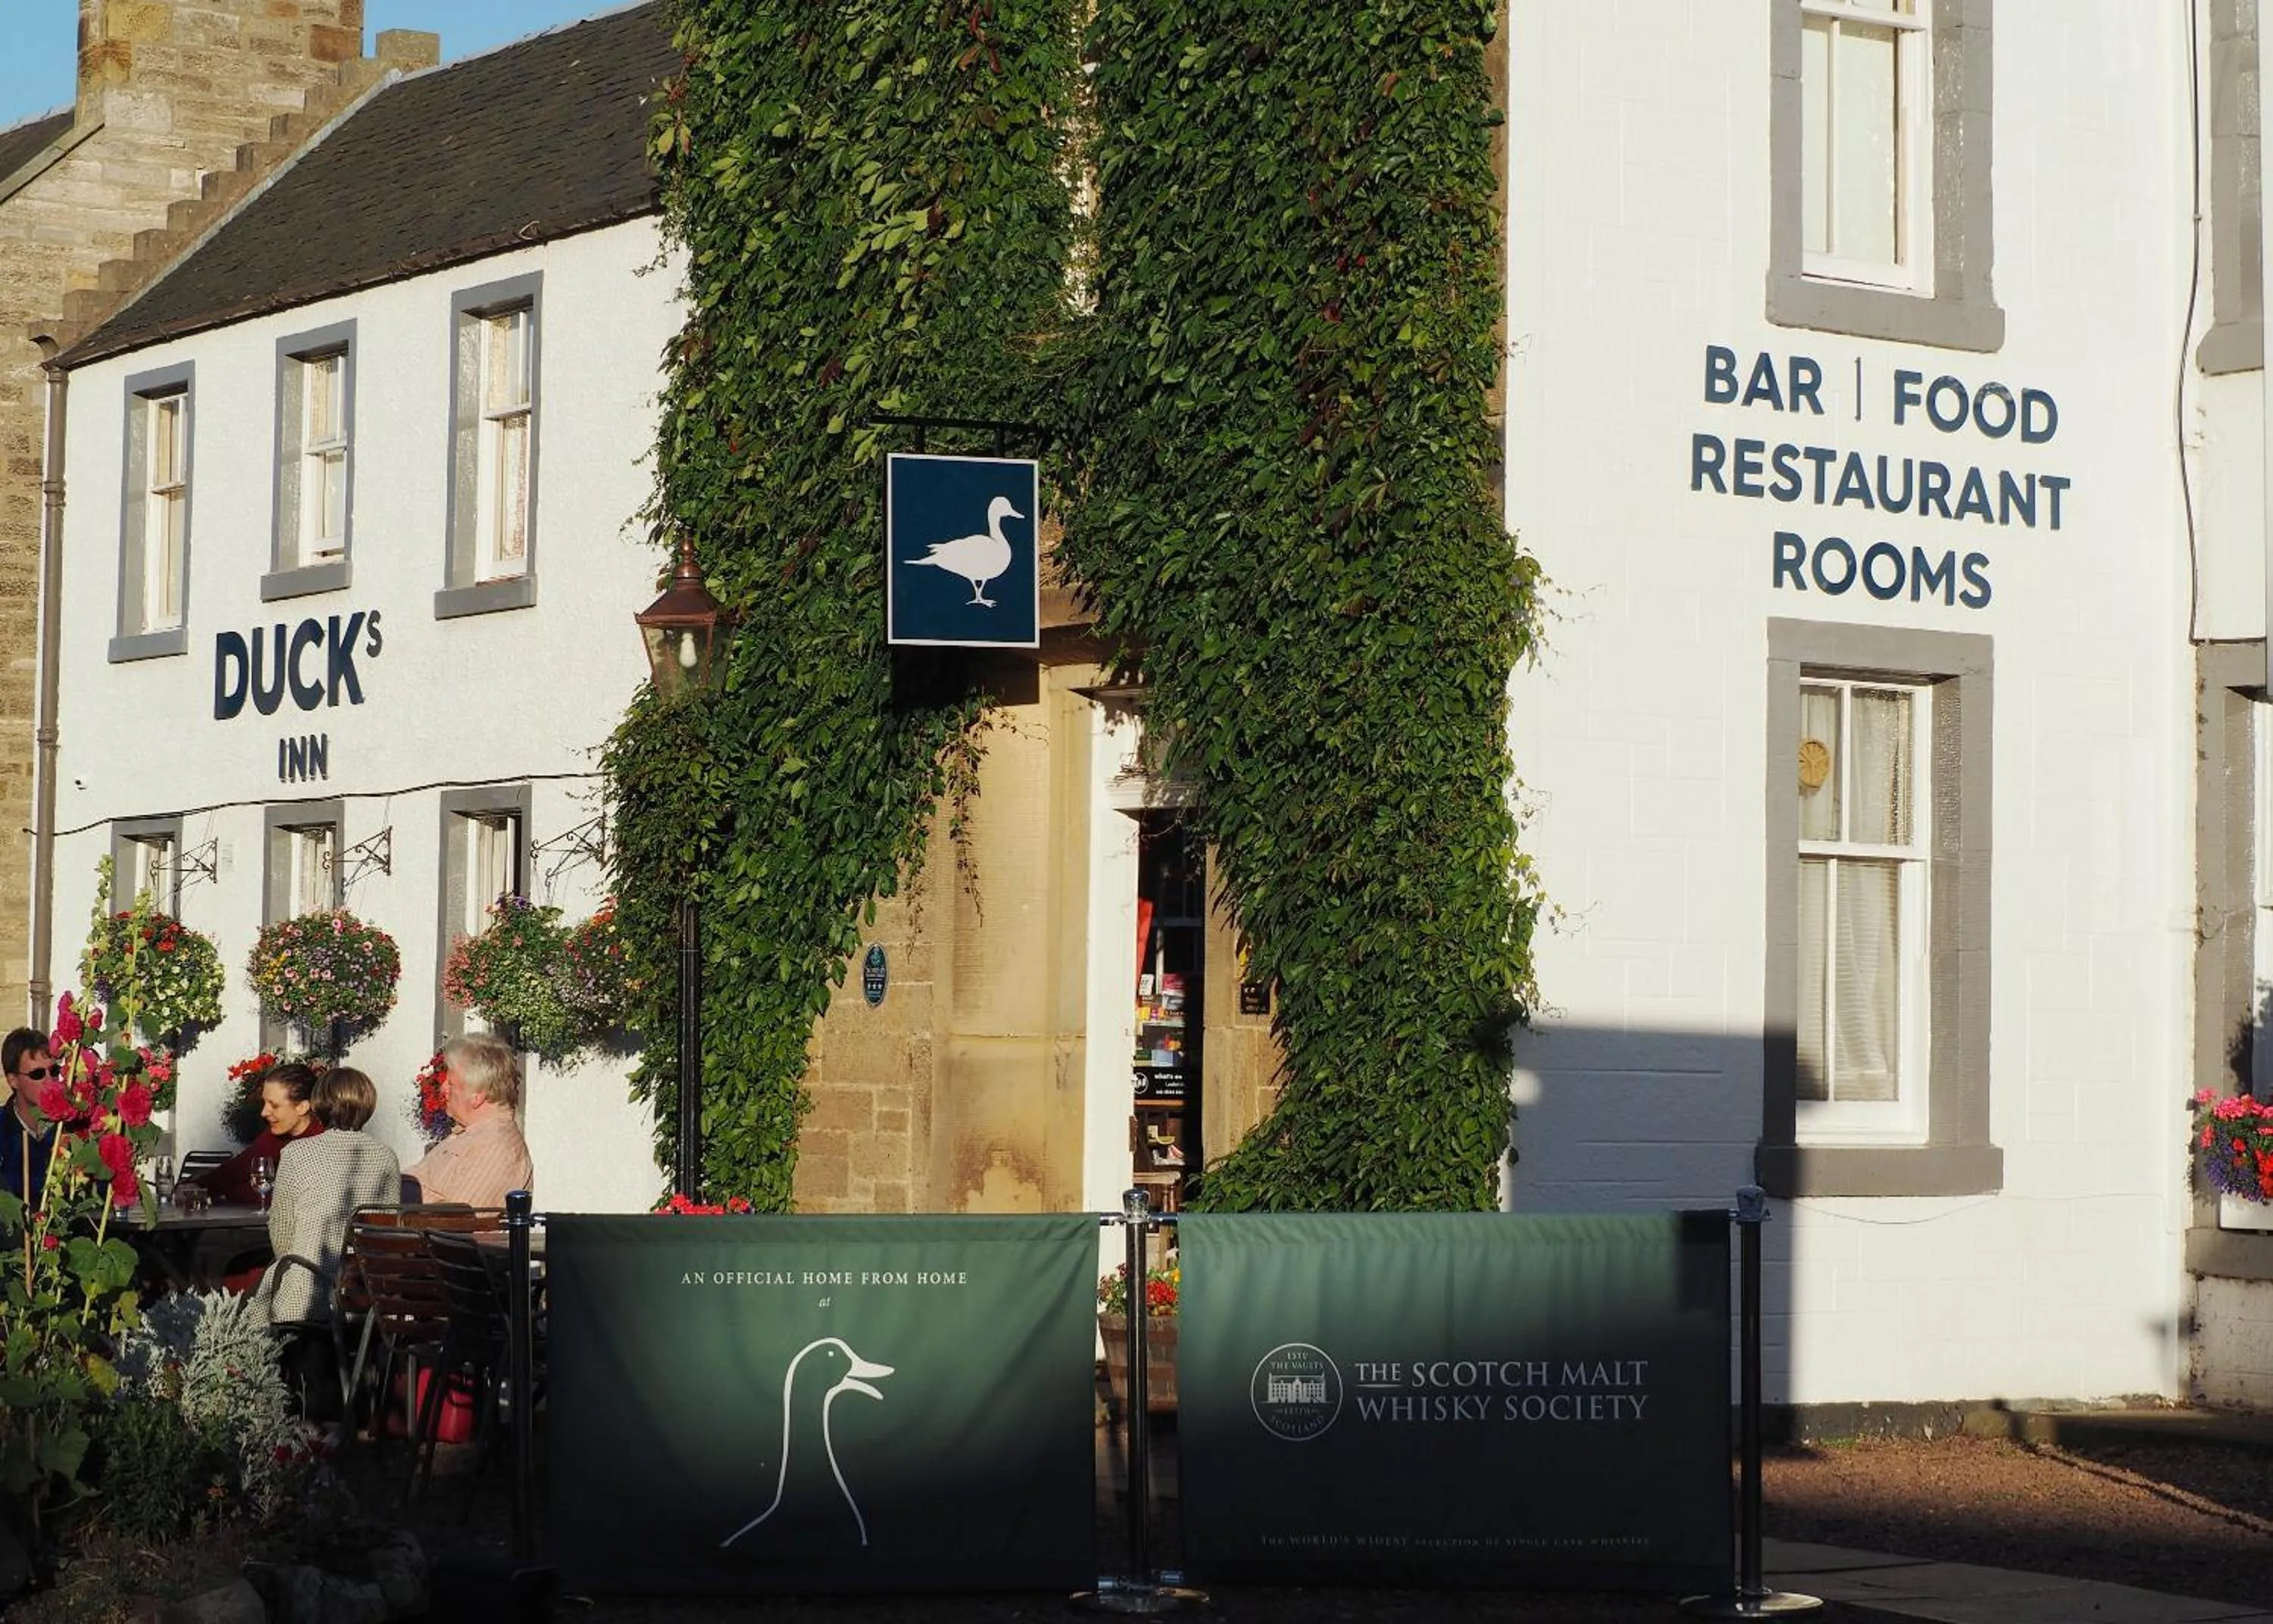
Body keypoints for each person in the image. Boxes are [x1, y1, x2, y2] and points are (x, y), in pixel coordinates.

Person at [257, 1067, 400, 1325]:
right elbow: (387, 1228)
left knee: (255, 1306)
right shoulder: (386, 1156)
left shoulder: (297, 1152)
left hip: (310, 1290)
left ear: (318, 1103)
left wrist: (294, 1266)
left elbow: (281, 1227)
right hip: (366, 1291)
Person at [402, 1034, 533, 1208]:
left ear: (477, 1096)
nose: (443, 1089)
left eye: (451, 1083)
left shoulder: (495, 1148)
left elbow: (460, 1219)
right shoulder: (472, 1135)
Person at [195, 1061, 325, 1206]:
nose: (264, 1112)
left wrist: (222, 1196)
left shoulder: (322, 1143)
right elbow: (238, 1168)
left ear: (302, 1107)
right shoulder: (276, 1136)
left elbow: (282, 1195)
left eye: (274, 1105)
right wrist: (195, 1187)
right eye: (264, 1103)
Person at [0, 1028, 59, 1203]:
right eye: (37, 1074)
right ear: (13, 1080)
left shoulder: (72, 1130)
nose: (50, 1081)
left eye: (54, 1071)